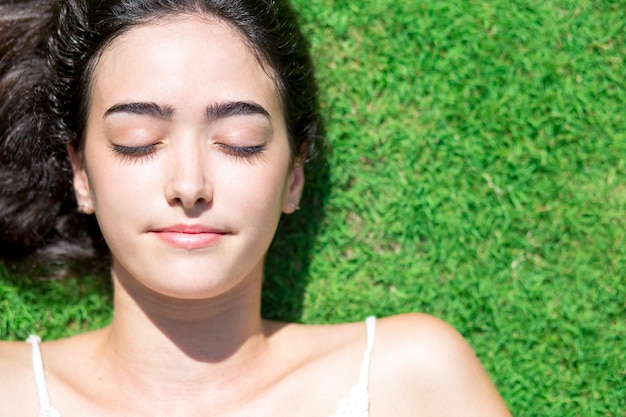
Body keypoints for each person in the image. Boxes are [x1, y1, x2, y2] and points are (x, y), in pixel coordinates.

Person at [0, 0, 512, 415]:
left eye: (239, 140)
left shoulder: (409, 380)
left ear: (294, 174)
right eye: (137, 139)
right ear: (81, 172)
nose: (189, 184)